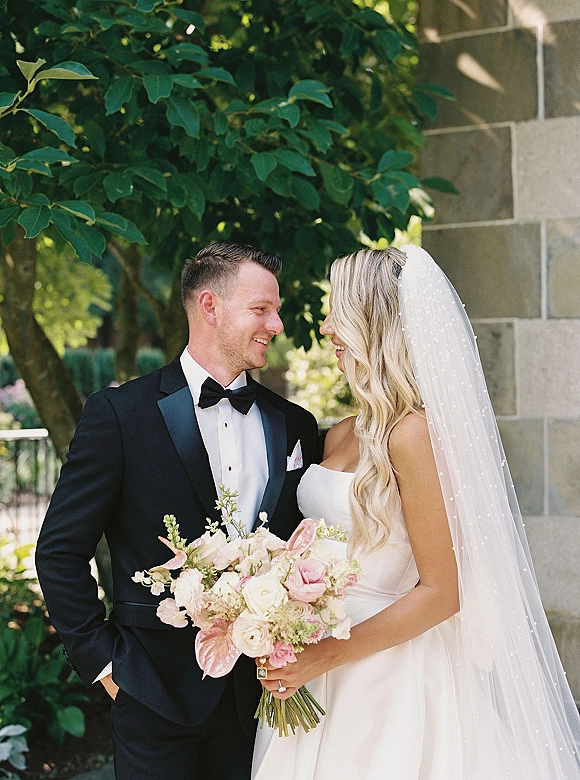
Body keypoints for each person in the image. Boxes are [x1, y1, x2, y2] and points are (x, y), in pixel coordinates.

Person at [252, 244, 580, 779]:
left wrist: (329, 655)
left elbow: (443, 591)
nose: (328, 326)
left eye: (339, 310)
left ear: (374, 322)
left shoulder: (415, 435)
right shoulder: (341, 431)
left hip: (386, 674)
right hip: (314, 664)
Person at [35, 242, 321, 780]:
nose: (277, 324)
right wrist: (104, 663)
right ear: (209, 306)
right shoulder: (120, 415)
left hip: (262, 701)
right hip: (152, 692)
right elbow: (59, 551)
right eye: (261, 309)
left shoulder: (295, 424)